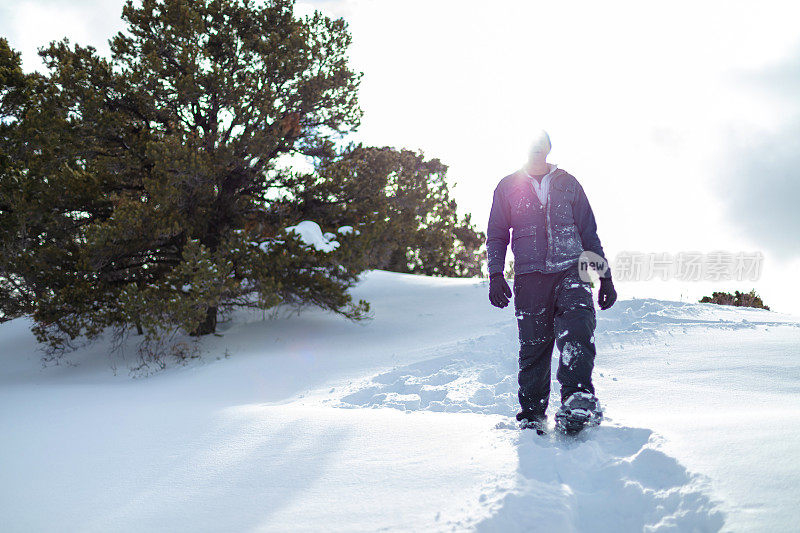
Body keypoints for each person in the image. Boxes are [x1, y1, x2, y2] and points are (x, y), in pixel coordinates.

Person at [486, 130, 617, 435]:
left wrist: (605, 276)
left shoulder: (568, 183)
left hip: (572, 269)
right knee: (534, 346)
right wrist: (495, 273)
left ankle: (577, 399)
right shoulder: (507, 187)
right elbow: (496, 233)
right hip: (530, 276)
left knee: (579, 328)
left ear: (547, 147)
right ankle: (532, 414)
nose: (535, 147)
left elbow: (588, 232)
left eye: (539, 142)